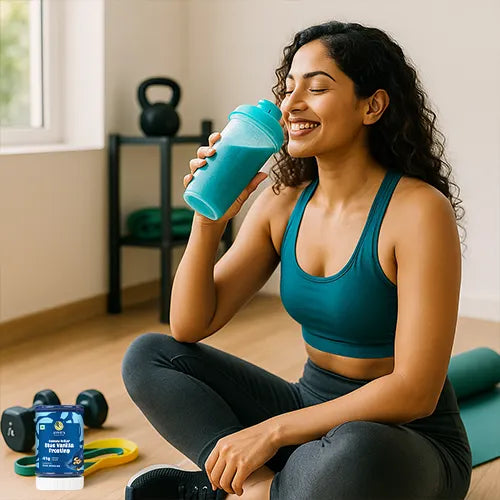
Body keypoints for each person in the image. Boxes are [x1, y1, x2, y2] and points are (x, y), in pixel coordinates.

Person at [121, 20, 472, 500]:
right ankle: (263, 487)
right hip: (309, 403)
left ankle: (226, 488)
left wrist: (272, 432)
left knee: (354, 450)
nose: (290, 105)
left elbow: (414, 391)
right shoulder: (283, 200)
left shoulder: (417, 211)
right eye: (288, 90)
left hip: (404, 437)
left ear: (373, 106)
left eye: (317, 87)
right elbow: (189, 326)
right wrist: (211, 220)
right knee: (149, 355)